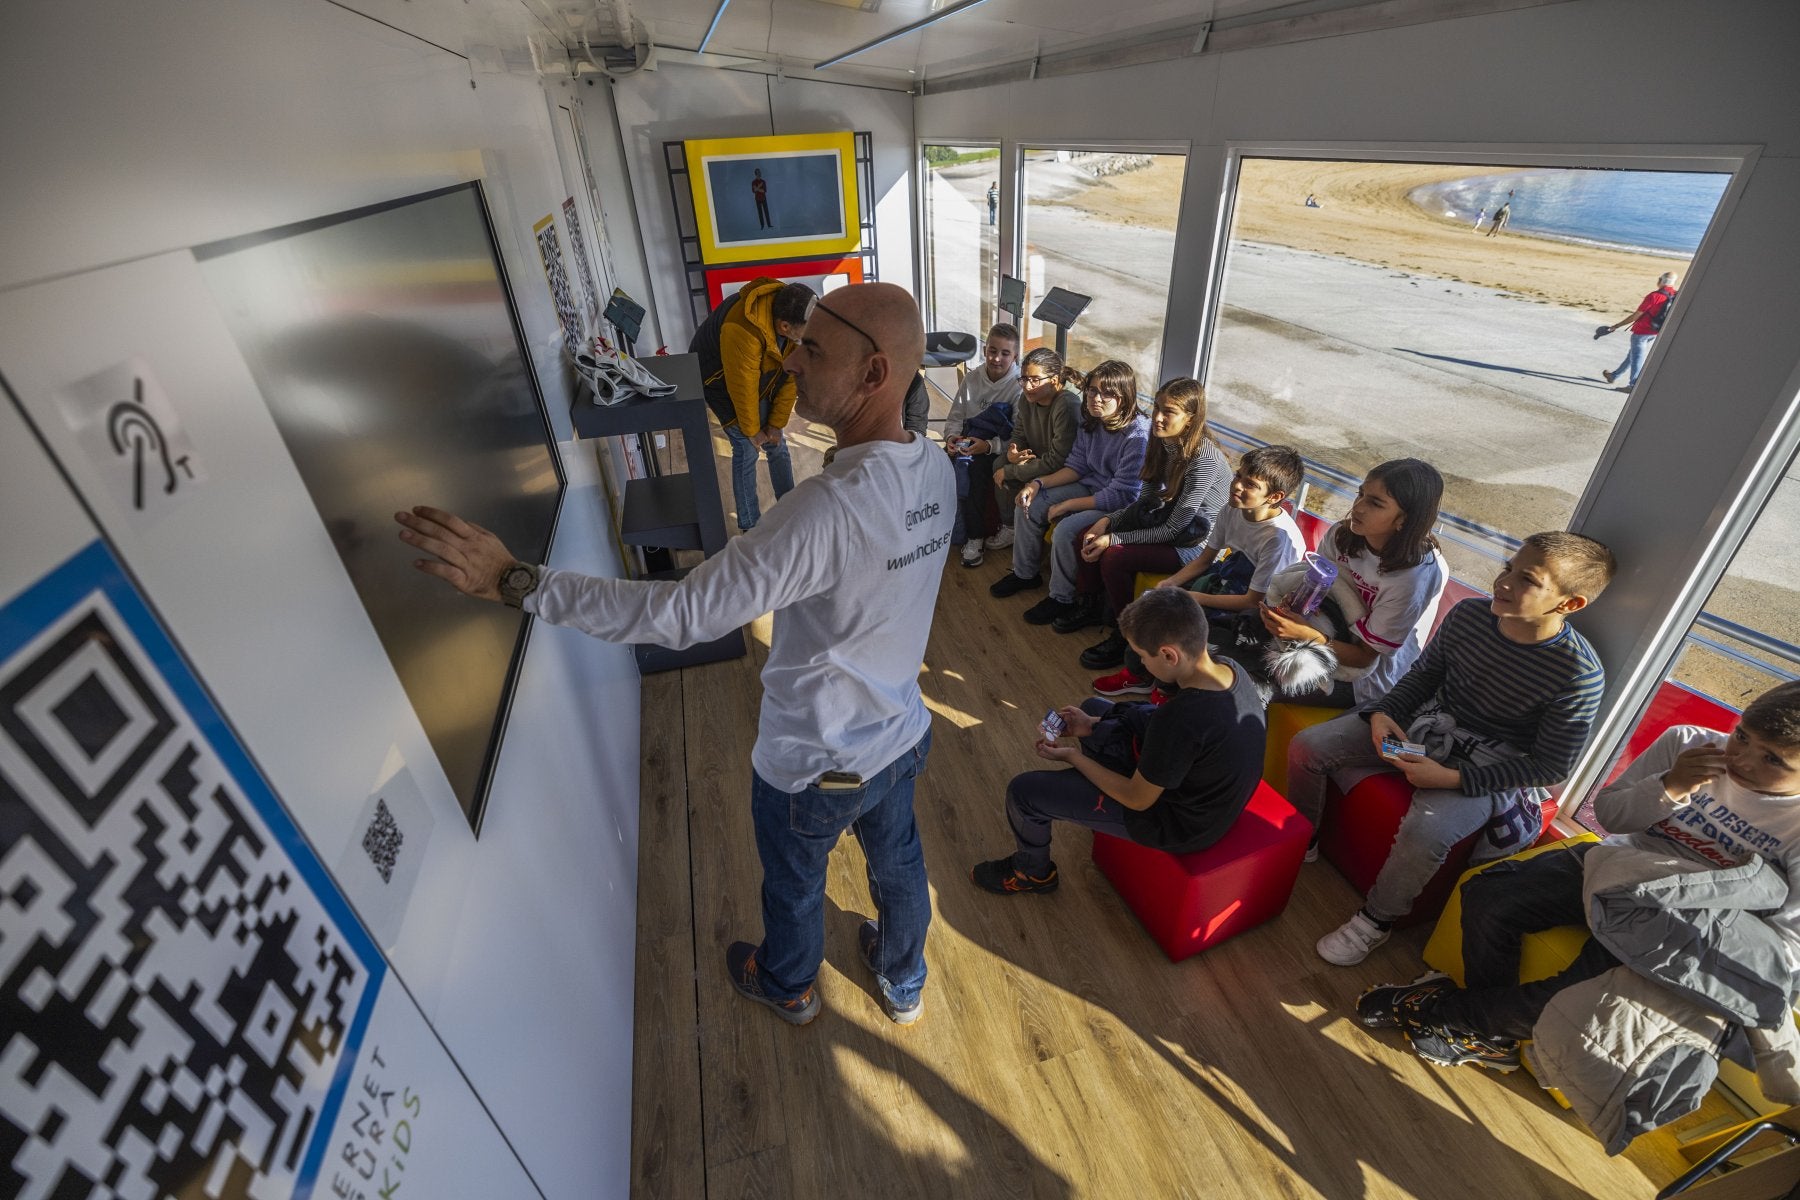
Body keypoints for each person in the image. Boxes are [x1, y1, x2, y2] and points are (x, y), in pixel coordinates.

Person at [394, 282, 955, 1028]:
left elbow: (677, 614)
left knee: (794, 885)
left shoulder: (824, 513)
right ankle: (903, 980)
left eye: (811, 349)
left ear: (874, 374)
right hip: (901, 735)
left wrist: (516, 580)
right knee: (900, 865)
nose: (789, 361)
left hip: (816, 762)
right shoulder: (938, 469)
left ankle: (788, 983)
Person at [1357, 680, 1800, 1077]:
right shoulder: (1688, 743)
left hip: (1680, 917)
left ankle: (1448, 1012)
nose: (1740, 758)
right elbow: (1610, 815)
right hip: (1619, 865)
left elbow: (1786, 942)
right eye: (1741, 735)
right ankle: (1491, 1036)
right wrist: (1669, 786)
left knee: (1575, 997)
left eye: (1771, 759)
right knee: (1488, 894)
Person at [1297, 531, 1616, 967]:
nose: (1504, 583)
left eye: (1528, 580)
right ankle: (1305, 839)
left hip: (1486, 761)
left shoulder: (1579, 673)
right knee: (1307, 747)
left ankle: (1375, 921)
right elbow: (1423, 677)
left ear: (1569, 603)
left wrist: (1454, 779)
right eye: (1508, 569)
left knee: (1427, 830)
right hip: (1426, 721)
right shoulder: (1469, 615)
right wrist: (1384, 712)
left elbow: (1549, 765)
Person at [969, 588, 1266, 895]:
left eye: (1141, 656)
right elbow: (1168, 729)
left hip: (1181, 825)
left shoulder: (1182, 718)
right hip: (1206, 793)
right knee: (1094, 709)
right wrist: (1094, 725)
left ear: (1167, 654)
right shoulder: (1229, 668)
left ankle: (1032, 873)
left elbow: (1138, 798)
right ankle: (1088, 774)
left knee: (1024, 792)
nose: (1140, 663)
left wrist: (1074, 758)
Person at [1094, 444, 1307, 696]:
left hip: (1255, 610)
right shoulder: (1232, 509)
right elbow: (1205, 560)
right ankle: (1142, 673)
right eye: (1238, 475)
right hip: (1225, 578)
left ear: (1274, 497)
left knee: (1184, 629)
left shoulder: (1277, 539)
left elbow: (1254, 601)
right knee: (1153, 605)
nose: (1237, 485)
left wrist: (1194, 598)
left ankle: (1167, 687)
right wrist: (1171, 583)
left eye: (1250, 484)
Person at [1259, 458, 1449, 711]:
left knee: (1254, 686)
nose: (1358, 507)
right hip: (1315, 634)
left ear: (1404, 519)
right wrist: (1292, 605)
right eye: (1361, 494)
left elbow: (1363, 658)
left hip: (1363, 680)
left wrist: (1308, 636)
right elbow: (1318, 590)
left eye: (1375, 503)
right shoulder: (1342, 535)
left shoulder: (1412, 578)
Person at [1072, 378, 1232, 670]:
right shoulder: (1160, 441)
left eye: (1168, 412)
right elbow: (1144, 504)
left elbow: (1176, 530)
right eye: (1157, 407)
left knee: (1115, 556)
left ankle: (1124, 634)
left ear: (1191, 418)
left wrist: (1114, 539)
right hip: (1167, 523)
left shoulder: (1204, 458)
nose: (1157, 417)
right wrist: (1108, 521)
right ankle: (1091, 606)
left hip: (1195, 544)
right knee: (1086, 534)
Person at [1010, 360, 1150, 626]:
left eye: (1106, 393)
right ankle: (1025, 574)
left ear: (1124, 397)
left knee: (1066, 529)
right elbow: (1076, 466)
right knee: (1030, 503)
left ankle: (1061, 599)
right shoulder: (1092, 422)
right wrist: (1037, 484)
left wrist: (1067, 505)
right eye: (1092, 391)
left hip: (1119, 503)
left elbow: (1122, 496)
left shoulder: (1138, 436)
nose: (1096, 398)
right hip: (1092, 485)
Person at [688, 278, 813, 532]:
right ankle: (750, 527)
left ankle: (789, 510)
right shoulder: (743, 330)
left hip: (759, 377)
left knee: (777, 443)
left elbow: (791, 378)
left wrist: (775, 425)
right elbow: (741, 388)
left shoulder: (792, 326)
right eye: (809, 328)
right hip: (717, 379)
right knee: (746, 448)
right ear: (785, 326)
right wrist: (753, 430)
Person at [984, 346, 1082, 566]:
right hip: (1039, 458)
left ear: (1055, 380)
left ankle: (1026, 541)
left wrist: (1011, 469)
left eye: (1036, 380)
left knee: (1003, 470)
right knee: (999, 462)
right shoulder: (1027, 399)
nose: (1028, 386)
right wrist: (1013, 452)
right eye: (1024, 378)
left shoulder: (1066, 405)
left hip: (1064, 471)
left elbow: (1058, 460)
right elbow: (1018, 434)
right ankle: (1010, 527)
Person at [942, 323, 1023, 566]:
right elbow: (956, 416)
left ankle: (974, 538)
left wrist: (988, 446)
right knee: (941, 466)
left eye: (1005, 353)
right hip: (969, 438)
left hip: (994, 445)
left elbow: (1019, 435)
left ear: (1015, 356)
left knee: (976, 473)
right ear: (985, 349)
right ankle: (945, 527)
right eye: (992, 351)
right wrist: (951, 439)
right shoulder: (972, 378)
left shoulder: (1018, 386)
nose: (997, 358)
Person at [1600, 271, 1679, 389]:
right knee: (1633, 354)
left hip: (1641, 331)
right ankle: (1614, 376)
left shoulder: (1654, 296)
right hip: (1656, 331)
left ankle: (1633, 385)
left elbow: (1636, 316)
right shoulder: (1676, 295)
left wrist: (1617, 325)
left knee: (1637, 357)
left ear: (1661, 280)